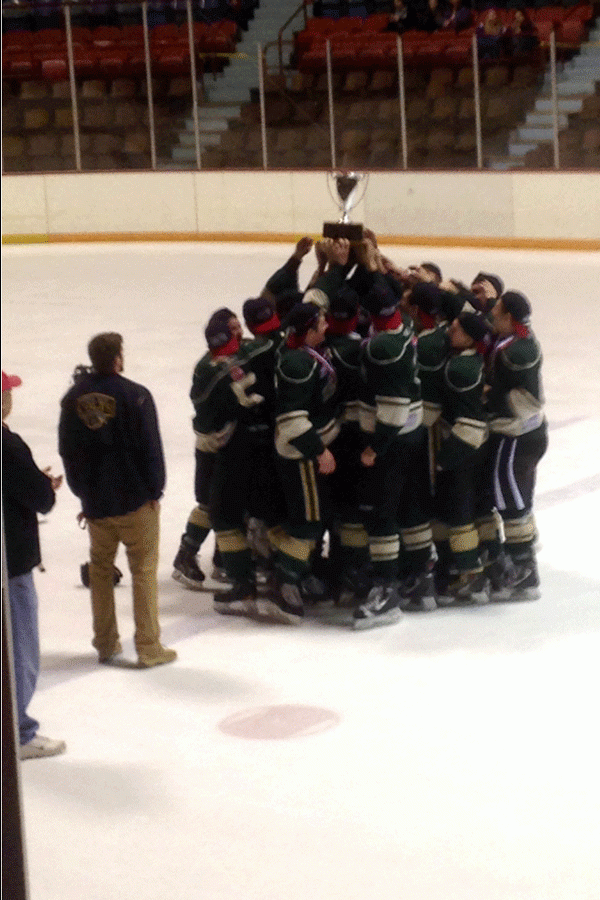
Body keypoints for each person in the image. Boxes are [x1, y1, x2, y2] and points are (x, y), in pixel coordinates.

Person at [59, 333, 176, 668]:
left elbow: (68, 450)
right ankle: (149, 646)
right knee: (143, 570)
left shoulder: (73, 399)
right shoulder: (135, 396)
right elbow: (150, 448)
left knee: (100, 571)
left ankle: (106, 642)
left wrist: (82, 492)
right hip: (135, 500)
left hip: (96, 504)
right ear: (117, 359)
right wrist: (155, 491)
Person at [2, 370, 66, 760]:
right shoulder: (7, 445)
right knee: (20, 649)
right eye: (7, 391)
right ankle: (18, 733)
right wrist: (42, 485)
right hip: (11, 564)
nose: (11, 397)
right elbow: (39, 497)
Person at [484, 291, 548, 600]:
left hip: (515, 436)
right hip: (526, 433)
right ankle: (520, 556)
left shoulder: (514, 352)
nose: (491, 318)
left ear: (510, 319)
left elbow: (523, 397)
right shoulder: (519, 339)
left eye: (496, 314)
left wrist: (488, 394)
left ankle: (524, 568)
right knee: (514, 497)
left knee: (511, 500)